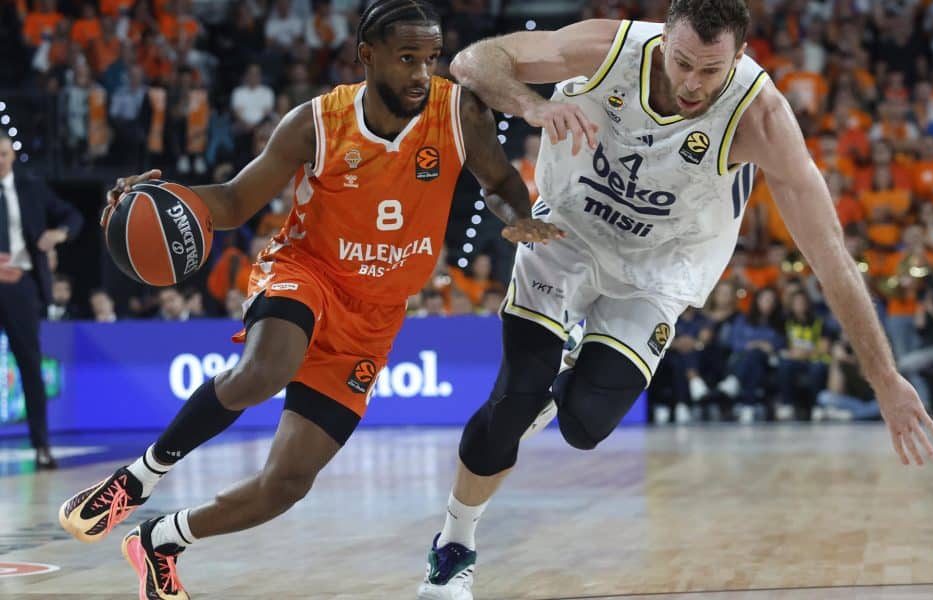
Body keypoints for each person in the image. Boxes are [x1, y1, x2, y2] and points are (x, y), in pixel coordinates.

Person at [417, 2, 933, 598]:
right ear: (662, 39)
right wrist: (532, 105)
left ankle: (561, 380)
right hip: (565, 233)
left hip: (660, 267)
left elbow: (832, 260)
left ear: (739, 58)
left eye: (710, 70)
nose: (692, 83)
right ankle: (455, 543)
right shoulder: (608, 49)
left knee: (585, 427)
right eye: (682, 62)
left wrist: (886, 378)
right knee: (512, 400)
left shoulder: (762, 118)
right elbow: (471, 62)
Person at [57, 2, 560, 599]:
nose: (422, 73)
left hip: (374, 316)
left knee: (287, 484)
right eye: (407, 58)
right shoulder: (315, 123)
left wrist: (517, 215)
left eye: (431, 58)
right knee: (266, 369)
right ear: (367, 55)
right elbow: (236, 201)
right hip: (307, 271)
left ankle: (160, 540)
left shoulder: (459, 112)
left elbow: (501, 183)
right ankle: (140, 477)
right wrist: (169, 195)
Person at [0, 131, 83, 470]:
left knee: (30, 365)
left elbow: (73, 216)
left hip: (21, 286)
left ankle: (42, 446)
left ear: (12, 156)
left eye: (3, 154)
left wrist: (58, 234)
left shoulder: (31, 188)